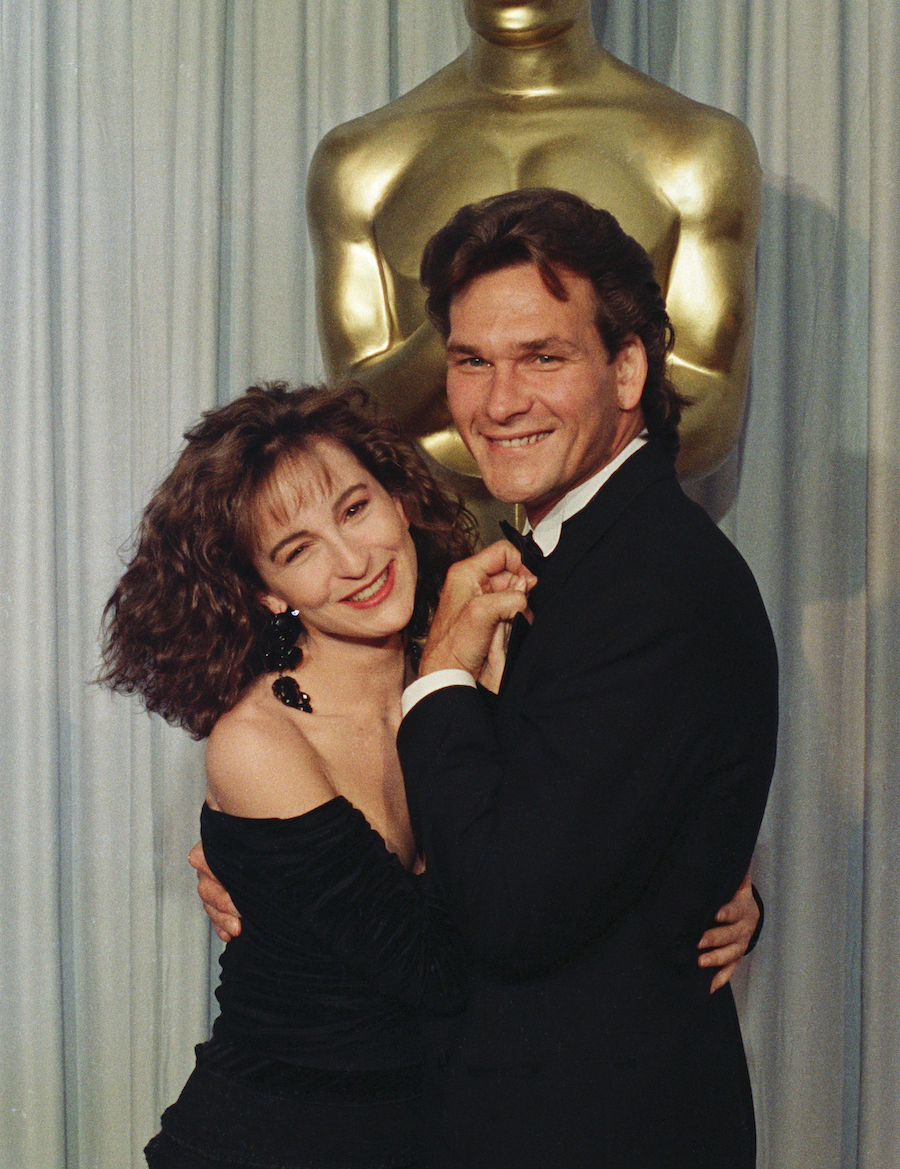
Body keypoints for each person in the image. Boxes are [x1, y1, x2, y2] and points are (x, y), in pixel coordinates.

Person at [392, 188, 778, 1167]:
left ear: (627, 369)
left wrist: (440, 677)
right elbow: (282, 673)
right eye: (473, 361)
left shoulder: (652, 585)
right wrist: (266, 836)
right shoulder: (516, 561)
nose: (496, 400)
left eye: (541, 357)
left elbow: (514, 902)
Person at [100, 382, 490, 1169]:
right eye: (297, 548)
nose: (354, 561)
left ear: (401, 500)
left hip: (431, 1135)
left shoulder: (460, 676)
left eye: (354, 508)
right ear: (266, 590)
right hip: (269, 1144)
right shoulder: (256, 740)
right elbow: (440, 966)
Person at [307, 0, 760, 534]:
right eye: (471, 361)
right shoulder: (361, 162)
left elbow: (709, 418)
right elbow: (351, 421)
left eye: (543, 356)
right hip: (427, 573)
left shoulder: (695, 150)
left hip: (617, 565)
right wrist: (482, 328)